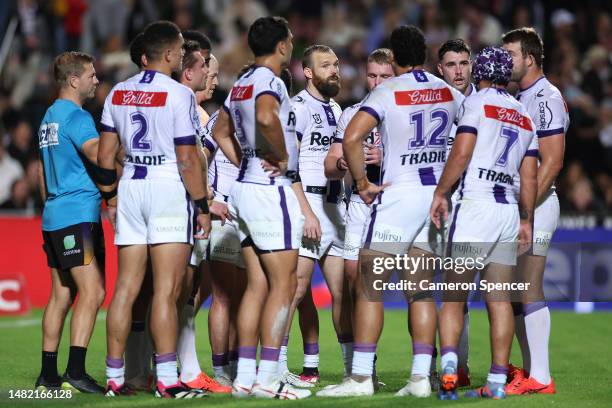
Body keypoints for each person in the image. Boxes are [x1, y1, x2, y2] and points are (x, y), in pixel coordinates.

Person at [318, 25, 462, 398]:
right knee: (421, 291)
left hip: (400, 195)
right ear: (427, 56)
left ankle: (362, 378)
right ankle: (418, 380)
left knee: (369, 286)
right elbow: (468, 141)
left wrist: (364, 184)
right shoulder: (449, 92)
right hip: (437, 197)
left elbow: (352, 137)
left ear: (394, 59)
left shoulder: (387, 90)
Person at [97, 20, 210, 398]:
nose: (182, 54)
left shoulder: (118, 91)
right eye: (180, 49)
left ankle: (115, 378)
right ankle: (166, 379)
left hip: (131, 184)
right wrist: (202, 205)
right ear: (167, 54)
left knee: (126, 288)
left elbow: (105, 155)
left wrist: (111, 198)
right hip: (166, 188)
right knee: (166, 290)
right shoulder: (178, 95)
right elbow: (188, 159)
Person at [430, 46, 538, 400]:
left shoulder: (475, 104)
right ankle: (495, 381)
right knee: (499, 301)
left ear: (480, 72)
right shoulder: (524, 115)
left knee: (453, 297)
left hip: (475, 206)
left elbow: (461, 153)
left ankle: (448, 367)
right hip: (507, 210)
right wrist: (527, 219)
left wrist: (441, 192)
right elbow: (529, 176)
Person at [212, 16, 311, 400]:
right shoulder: (269, 81)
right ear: (283, 45)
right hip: (271, 189)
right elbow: (268, 116)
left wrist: (246, 161)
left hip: (245, 189)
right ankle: (269, 380)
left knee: (256, 286)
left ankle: (244, 378)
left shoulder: (240, 83)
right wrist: (281, 156)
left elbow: (220, 131)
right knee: (284, 285)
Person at [502, 27, 569, 395]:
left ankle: (542, 376)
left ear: (529, 58)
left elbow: (553, 161)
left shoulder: (546, 97)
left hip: (539, 205)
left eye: (510, 54)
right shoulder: (520, 96)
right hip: (520, 206)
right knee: (515, 290)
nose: (504, 60)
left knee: (528, 286)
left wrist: (526, 211)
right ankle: (529, 372)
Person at [277, 44, 348, 388]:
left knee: (344, 292)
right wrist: (306, 212)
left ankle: (353, 369)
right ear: (307, 72)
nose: (335, 70)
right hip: (310, 207)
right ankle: (277, 366)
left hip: (338, 209)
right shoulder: (299, 108)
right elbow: (289, 165)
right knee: (296, 290)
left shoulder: (337, 107)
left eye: (336, 64)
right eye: (326, 65)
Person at [36, 51, 105, 393]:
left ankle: (48, 374)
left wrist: (50, 204)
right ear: (74, 80)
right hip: (77, 216)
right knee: (94, 292)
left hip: (53, 216)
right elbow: (98, 155)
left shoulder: (48, 117)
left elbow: (41, 175)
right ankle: (75, 372)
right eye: (91, 75)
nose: (96, 79)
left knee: (61, 295)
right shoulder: (78, 117)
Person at [323, 47, 392, 382]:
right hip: (359, 206)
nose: (377, 81)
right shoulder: (353, 113)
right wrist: (344, 162)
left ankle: (431, 368)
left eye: (385, 76)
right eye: (372, 75)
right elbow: (332, 164)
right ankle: (361, 367)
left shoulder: (403, 109)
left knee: (411, 288)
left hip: (395, 206)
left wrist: (386, 157)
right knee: (353, 282)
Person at [436, 38, 476, 387]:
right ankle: (455, 366)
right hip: (439, 209)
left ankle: (464, 367)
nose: (459, 70)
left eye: (464, 63)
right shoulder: (434, 105)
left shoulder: (482, 103)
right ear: (440, 69)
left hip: (478, 209)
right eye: (451, 64)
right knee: (450, 294)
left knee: (495, 295)